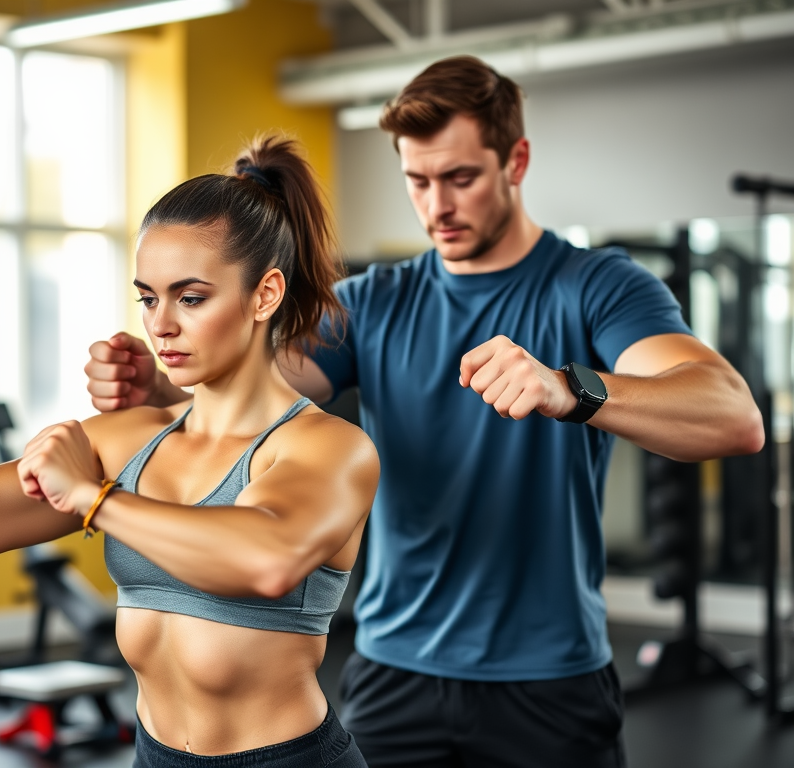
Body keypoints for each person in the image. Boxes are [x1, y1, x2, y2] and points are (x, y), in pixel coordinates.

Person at [83, 56, 765, 767]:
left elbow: (730, 415)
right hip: (394, 674)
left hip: (548, 681)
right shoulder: (376, 303)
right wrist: (163, 391)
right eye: (418, 181)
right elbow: (259, 397)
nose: (437, 204)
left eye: (460, 178)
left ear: (516, 161)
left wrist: (570, 388)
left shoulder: (596, 286)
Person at [0, 136, 379, 767]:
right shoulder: (129, 438)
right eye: (149, 298)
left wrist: (93, 498)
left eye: (192, 297)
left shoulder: (330, 447)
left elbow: (264, 558)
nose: (161, 325)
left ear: (265, 295)